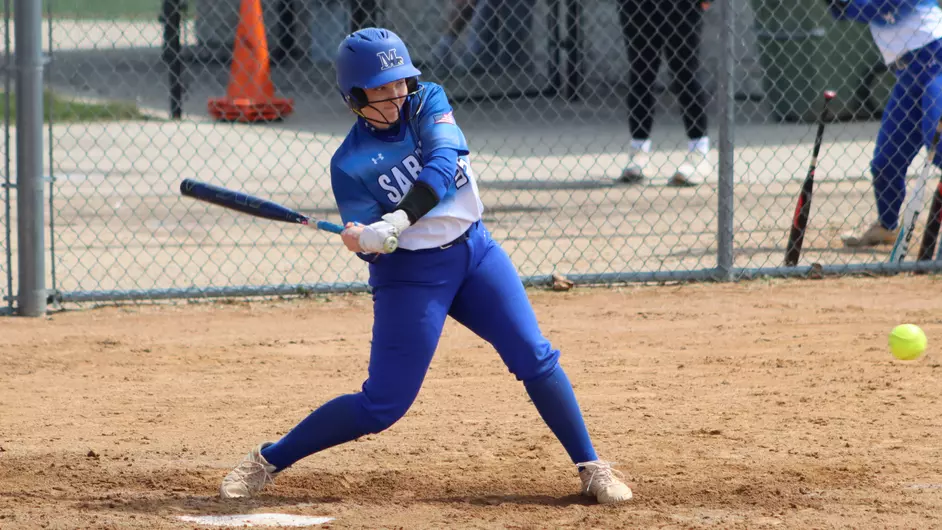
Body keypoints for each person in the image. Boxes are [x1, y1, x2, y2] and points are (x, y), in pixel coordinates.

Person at [218, 27, 633, 506]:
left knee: (534, 356)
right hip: (411, 277)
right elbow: (372, 241)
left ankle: (591, 467)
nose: (396, 94)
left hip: (475, 253)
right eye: (382, 87)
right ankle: (267, 460)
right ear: (354, 96)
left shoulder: (428, 101)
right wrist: (364, 241)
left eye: (401, 82)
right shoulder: (349, 163)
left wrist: (396, 217)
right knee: (382, 406)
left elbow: (440, 163)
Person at [824, 0, 942, 247]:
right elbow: (843, 10)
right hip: (906, 75)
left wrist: (849, 5)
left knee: (938, 143)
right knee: (885, 162)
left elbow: (886, 7)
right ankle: (887, 226)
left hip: (936, 59)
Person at [617, 1, 713, 187]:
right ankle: (639, 154)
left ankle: (699, 155)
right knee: (640, 74)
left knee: (686, 73)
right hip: (638, 6)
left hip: (684, 5)